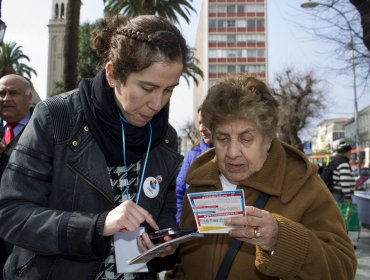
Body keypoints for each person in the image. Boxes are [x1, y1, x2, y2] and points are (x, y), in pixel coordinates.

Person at [0, 15, 191, 280]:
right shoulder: (56, 118)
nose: (158, 104)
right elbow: (10, 214)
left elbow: (166, 210)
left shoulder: (166, 137)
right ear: (113, 74)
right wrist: (96, 227)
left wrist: (164, 243)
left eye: (169, 90)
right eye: (147, 88)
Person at [166, 74, 357, 279]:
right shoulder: (197, 184)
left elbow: (343, 268)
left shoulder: (303, 186)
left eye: (246, 139)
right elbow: (182, 263)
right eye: (222, 138)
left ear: (268, 139)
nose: (232, 152)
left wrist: (281, 239)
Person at [0, 74, 33, 279]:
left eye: (13, 93)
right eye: (1, 93)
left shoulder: (45, 132)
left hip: (24, 239)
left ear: (29, 98)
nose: (6, 98)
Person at [175, 108, 212, 224]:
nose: (201, 128)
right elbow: (179, 194)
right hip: (193, 232)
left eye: (207, 122)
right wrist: (181, 224)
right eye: (200, 123)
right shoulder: (192, 156)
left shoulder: (236, 156)